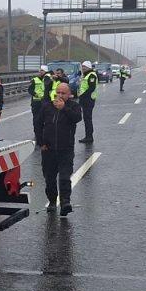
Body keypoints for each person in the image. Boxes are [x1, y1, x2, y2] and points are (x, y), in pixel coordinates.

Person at [34, 81, 82, 215]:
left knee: (65, 177)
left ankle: (65, 202)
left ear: (69, 94)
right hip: (48, 150)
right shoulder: (47, 106)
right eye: (58, 92)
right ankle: (52, 202)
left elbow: (77, 118)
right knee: (49, 179)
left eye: (63, 93)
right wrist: (41, 142)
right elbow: (38, 124)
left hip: (65, 149)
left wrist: (64, 108)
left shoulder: (74, 106)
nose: (60, 95)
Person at [76, 60, 98, 144]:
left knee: (88, 119)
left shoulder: (91, 75)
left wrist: (83, 95)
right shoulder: (85, 75)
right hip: (84, 99)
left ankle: (89, 137)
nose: (83, 68)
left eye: (84, 67)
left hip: (88, 99)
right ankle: (88, 136)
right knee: (86, 119)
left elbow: (91, 88)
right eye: (82, 67)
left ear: (88, 67)